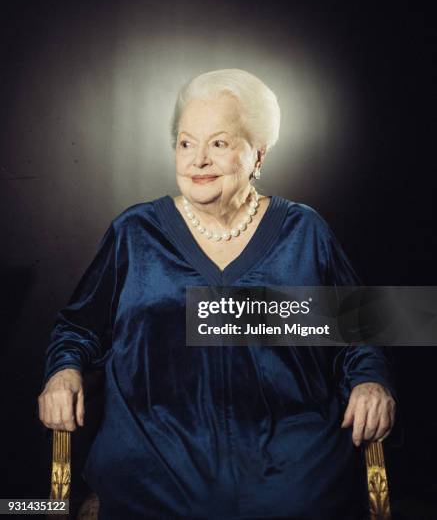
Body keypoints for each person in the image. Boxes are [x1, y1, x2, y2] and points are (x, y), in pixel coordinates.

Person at [39, 69, 397, 520]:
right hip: (157, 449)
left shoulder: (303, 231)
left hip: (286, 450)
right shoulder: (136, 232)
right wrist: (63, 370)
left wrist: (369, 381)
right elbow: (76, 327)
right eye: (186, 143)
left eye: (220, 144)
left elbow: (359, 334)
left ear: (258, 154)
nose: (198, 160)